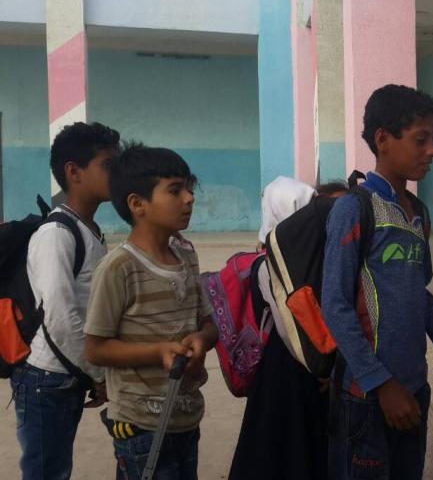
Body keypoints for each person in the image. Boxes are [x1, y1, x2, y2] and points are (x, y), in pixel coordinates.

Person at [322, 84, 433, 480]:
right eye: (420, 139)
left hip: (413, 390)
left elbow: (419, 294)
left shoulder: (418, 214)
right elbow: (335, 305)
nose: (432, 150)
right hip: (366, 398)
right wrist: (381, 385)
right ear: (383, 140)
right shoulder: (354, 210)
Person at [84, 143, 219, 479]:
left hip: (186, 418)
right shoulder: (119, 268)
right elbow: (96, 349)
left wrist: (203, 339)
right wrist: (158, 351)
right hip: (141, 428)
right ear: (137, 204)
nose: (189, 198)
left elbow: (207, 323)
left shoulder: (186, 256)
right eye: (175, 190)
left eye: (189, 188)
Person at [10, 122, 120, 479]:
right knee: (47, 472)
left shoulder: (90, 230)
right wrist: (98, 373)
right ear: (74, 172)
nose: (118, 173)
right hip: (46, 377)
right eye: (108, 165)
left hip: (70, 371)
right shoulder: (56, 234)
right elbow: (60, 318)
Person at [229, 178, 343, 480]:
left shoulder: (287, 256)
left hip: (289, 366)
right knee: (291, 443)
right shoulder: (275, 263)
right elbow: (290, 326)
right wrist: (322, 368)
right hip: (293, 366)